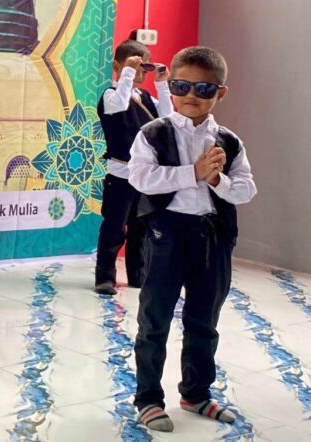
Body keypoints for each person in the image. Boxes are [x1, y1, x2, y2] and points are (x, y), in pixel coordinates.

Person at [127, 46, 254, 432]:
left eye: (204, 89)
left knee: (204, 321)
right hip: (166, 234)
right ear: (172, 86)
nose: (191, 96)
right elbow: (141, 178)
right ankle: (149, 399)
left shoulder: (229, 140)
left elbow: (246, 189)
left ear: (220, 93)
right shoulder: (153, 133)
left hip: (212, 237)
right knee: (155, 319)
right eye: (181, 86)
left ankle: (196, 393)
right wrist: (192, 173)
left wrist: (217, 181)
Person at [95, 39, 173, 295]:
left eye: (144, 68)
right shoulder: (111, 95)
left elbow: (167, 117)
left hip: (144, 175)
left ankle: (138, 275)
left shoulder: (145, 97)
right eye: (135, 67)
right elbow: (119, 105)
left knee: (141, 229)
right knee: (114, 228)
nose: (140, 73)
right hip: (120, 174)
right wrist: (127, 72)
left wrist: (161, 84)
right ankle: (105, 277)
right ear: (117, 66)